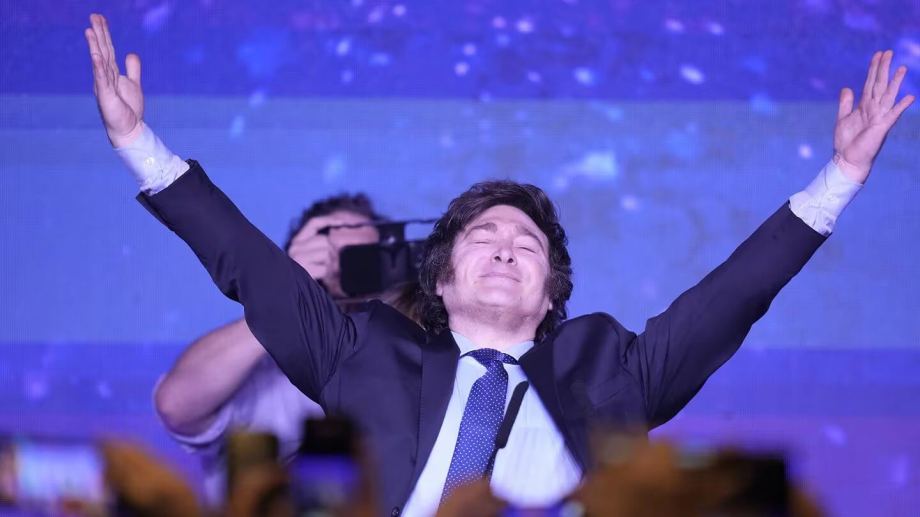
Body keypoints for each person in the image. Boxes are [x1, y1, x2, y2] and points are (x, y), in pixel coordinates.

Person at [85, 12, 913, 517]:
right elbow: (251, 265)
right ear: (441, 279)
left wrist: (839, 177)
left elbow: (732, 295)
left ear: (552, 293)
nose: (508, 245)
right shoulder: (367, 348)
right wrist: (139, 146)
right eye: (483, 236)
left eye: (529, 243)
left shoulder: (608, 366)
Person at [153, 193, 385, 504]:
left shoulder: (401, 360)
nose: (340, 267)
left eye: (361, 256)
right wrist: (287, 291)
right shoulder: (262, 367)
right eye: (329, 249)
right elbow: (176, 405)